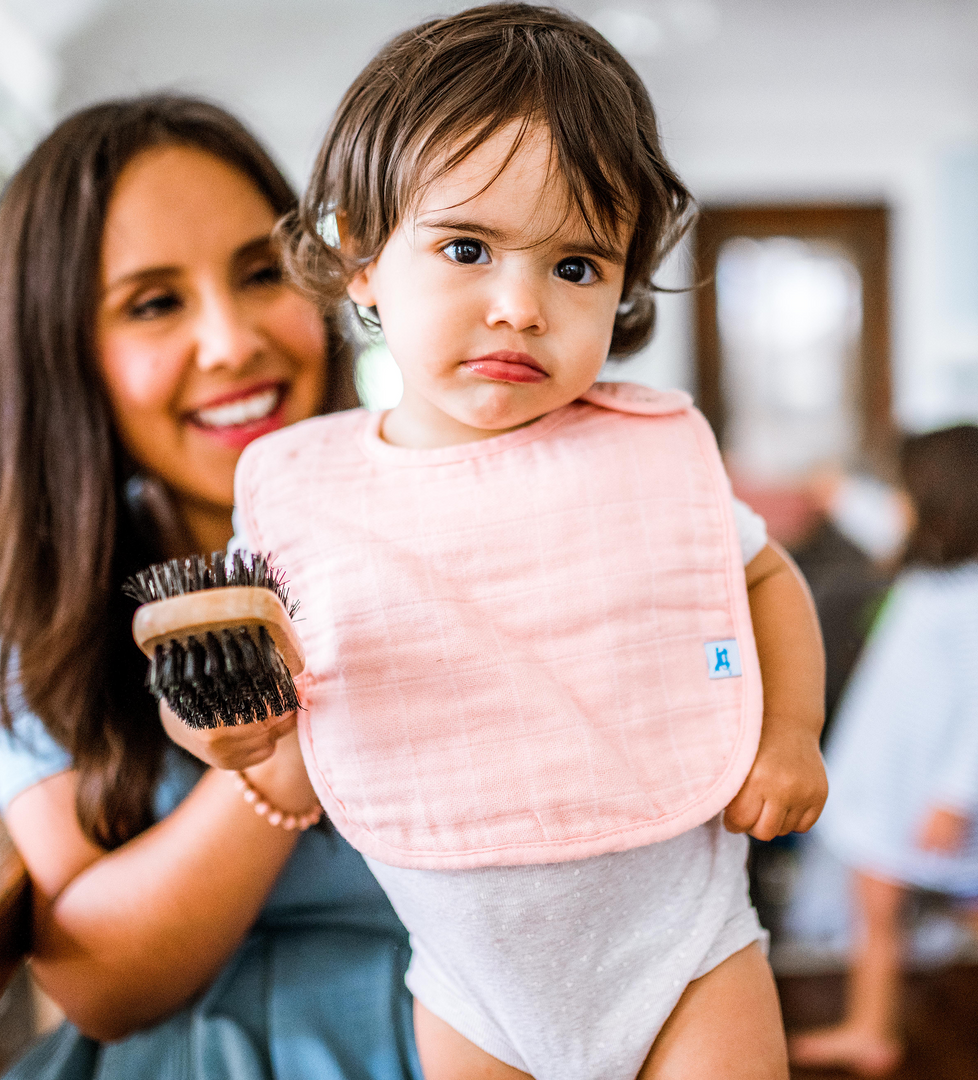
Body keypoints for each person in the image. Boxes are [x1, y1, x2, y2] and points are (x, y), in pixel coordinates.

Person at [174, 8, 829, 1079]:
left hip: (688, 955)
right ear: (360, 257)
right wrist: (222, 731)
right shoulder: (308, 491)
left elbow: (764, 579)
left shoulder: (646, 455)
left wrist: (791, 734)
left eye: (577, 265)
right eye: (468, 249)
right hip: (471, 989)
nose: (521, 307)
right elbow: (236, 669)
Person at [0, 96, 421, 1079]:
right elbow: (103, 983)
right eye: (154, 304)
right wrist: (277, 762)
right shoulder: (48, 621)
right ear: (65, 355)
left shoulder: (455, 509)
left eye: (261, 273)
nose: (231, 343)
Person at [789, 425, 978, 1080]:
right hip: (891, 789)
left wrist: (954, 798)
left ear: (943, 502)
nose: (895, 505)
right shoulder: (929, 568)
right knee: (876, 906)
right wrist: (836, 492)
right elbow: (877, 522)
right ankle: (870, 1029)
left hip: (943, 801)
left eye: (905, 493)